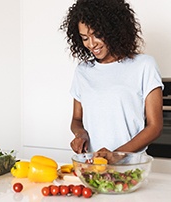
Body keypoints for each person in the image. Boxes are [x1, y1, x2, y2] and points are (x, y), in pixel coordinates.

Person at [60, 0, 164, 162]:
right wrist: (80, 134)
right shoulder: (83, 71)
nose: (92, 44)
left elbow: (154, 127)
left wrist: (116, 155)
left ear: (114, 30)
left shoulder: (144, 65)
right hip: (94, 165)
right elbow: (77, 119)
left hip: (131, 167)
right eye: (85, 38)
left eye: (97, 35)